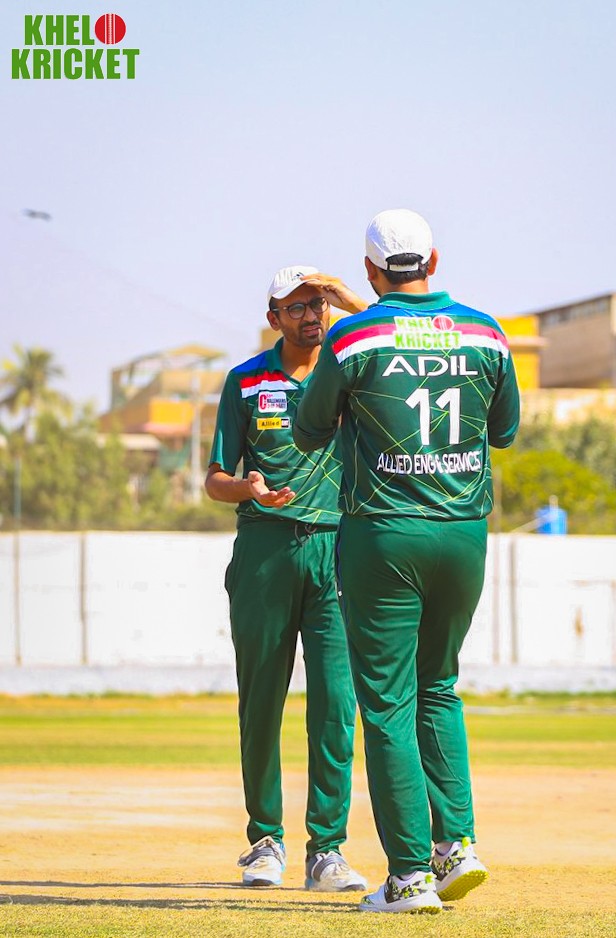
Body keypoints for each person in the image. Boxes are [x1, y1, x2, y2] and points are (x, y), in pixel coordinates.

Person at [294, 210, 520, 913]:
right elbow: (504, 430)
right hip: (464, 534)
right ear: (434, 259)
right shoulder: (487, 333)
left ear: (369, 270)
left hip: (384, 535)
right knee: (439, 687)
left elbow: (307, 430)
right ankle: (457, 847)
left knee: (388, 702)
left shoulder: (352, 336)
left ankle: (409, 877)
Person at [205, 265, 368, 891]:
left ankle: (327, 850)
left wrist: (345, 295)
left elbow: (385, 331)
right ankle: (264, 842)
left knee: (336, 706)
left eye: (317, 304)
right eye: (295, 307)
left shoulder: (352, 373)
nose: (310, 315)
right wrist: (246, 487)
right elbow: (215, 479)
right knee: (261, 702)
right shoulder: (245, 381)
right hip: (265, 551)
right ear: (273, 318)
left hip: (338, 551)